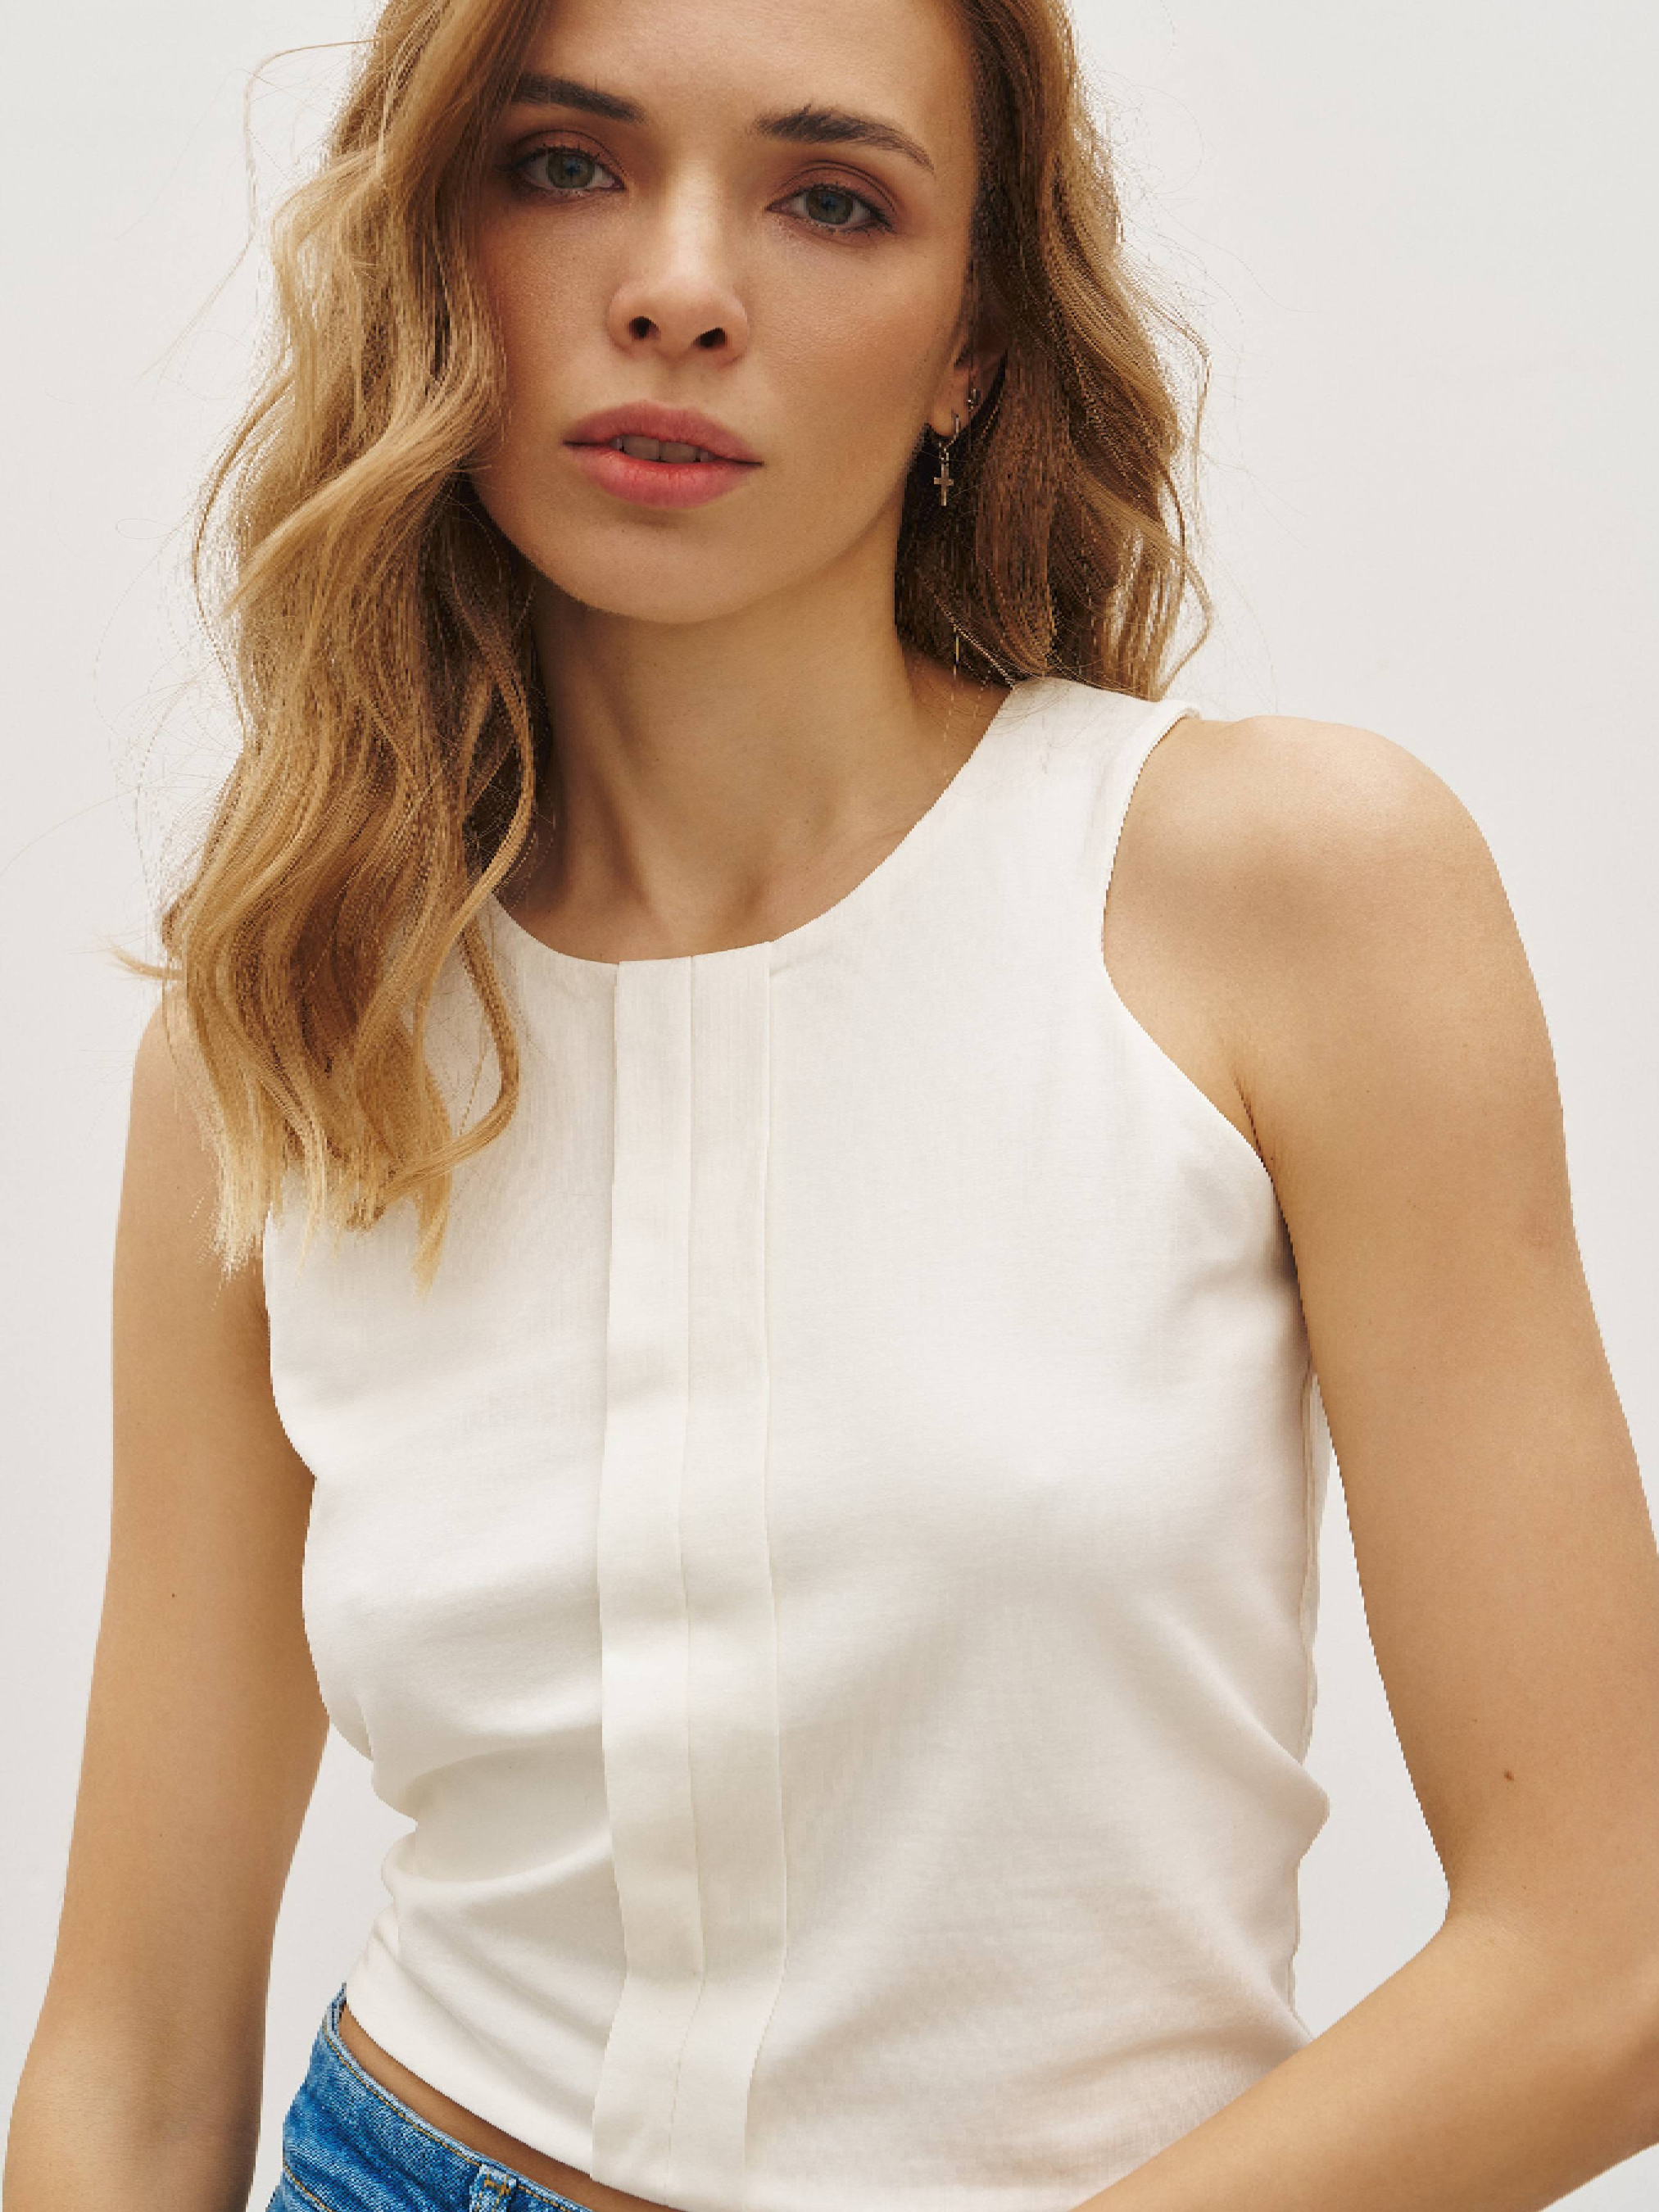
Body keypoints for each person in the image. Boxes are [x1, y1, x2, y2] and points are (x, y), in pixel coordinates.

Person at [8, 0, 1659, 2208]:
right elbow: (129, 2059)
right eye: (566, 165)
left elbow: (1610, 1958)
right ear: (430, 249)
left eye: (830, 200)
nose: (680, 288)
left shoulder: (1279, 895)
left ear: (970, 338)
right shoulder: (292, 1029)